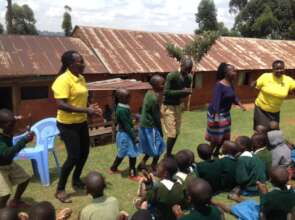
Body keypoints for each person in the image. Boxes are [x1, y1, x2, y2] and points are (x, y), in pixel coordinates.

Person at [52, 50, 101, 203]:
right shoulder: (63, 80)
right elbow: (61, 104)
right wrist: (87, 110)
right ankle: (60, 189)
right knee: (73, 156)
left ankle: (76, 180)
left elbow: (82, 98)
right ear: (70, 64)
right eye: (80, 61)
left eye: (82, 61)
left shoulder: (81, 78)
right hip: (67, 125)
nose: (83, 64)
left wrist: (90, 108)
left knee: (84, 152)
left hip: (81, 122)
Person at [206, 63, 246, 156]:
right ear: (226, 73)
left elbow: (233, 96)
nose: (235, 73)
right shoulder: (219, 85)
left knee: (224, 136)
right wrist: (216, 117)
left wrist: (240, 104)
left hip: (226, 114)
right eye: (233, 71)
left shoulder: (230, 84)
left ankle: (216, 153)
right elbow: (216, 101)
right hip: (216, 114)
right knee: (216, 138)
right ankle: (209, 154)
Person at [0, 109, 34, 208]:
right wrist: (24, 141)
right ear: (1, 124)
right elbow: (7, 153)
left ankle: (16, 201)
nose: (13, 126)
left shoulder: (6, 130)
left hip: (8, 163)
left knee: (25, 179)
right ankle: (2, 212)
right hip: (1, 168)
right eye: (11, 125)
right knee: (5, 193)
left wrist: (23, 134)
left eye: (14, 124)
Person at [161, 57, 193, 157]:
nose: (187, 72)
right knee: (172, 133)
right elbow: (166, 92)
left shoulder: (189, 77)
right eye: (186, 69)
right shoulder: (172, 75)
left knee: (177, 132)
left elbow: (184, 93)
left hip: (178, 106)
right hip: (168, 106)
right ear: (181, 65)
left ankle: (169, 153)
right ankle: (168, 154)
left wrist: (186, 93)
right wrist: (183, 92)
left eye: (189, 70)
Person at [253, 60, 295, 129]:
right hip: (261, 109)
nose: (279, 70)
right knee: (261, 129)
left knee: (274, 129)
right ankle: (257, 140)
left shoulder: (288, 80)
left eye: (281, 68)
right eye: (277, 69)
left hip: (275, 111)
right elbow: (255, 87)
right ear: (273, 69)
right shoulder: (265, 77)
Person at [109, 89, 140, 180]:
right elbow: (127, 126)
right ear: (121, 98)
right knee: (132, 154)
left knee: (122, 153)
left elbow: (128, 122)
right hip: (125, 135)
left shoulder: (124, 107)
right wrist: (135, 137)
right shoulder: (121, 110)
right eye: (127, 97)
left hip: (126, 133)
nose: (129, 98)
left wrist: (134, 120)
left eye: (129, 96)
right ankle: (133, 174)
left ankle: (113, 168)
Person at [138, 75, 165, 171]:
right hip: (150, 126)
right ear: (156, 85)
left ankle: (142, 163)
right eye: (162, 84)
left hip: (144, 125)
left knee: (151, 146)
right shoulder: (154, 99)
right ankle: (154, 165)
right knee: (159, 146)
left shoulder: (149, 93)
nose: (164, 86)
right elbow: (156, 117)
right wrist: (160, 131)